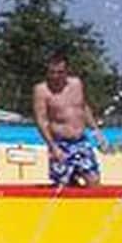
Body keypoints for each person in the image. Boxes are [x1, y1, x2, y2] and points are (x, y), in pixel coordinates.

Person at [32, 53, 102, 188]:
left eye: (60, 72)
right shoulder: (42, 91)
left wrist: (95, 130)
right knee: (64, 185)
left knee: (93, 181)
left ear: (67, 71)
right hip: (60, 143)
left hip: (81, 141)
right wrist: (53, 147)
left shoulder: (76, 84)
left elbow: (83, 107)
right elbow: (41, 120)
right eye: (52, 72)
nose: (56, 76)